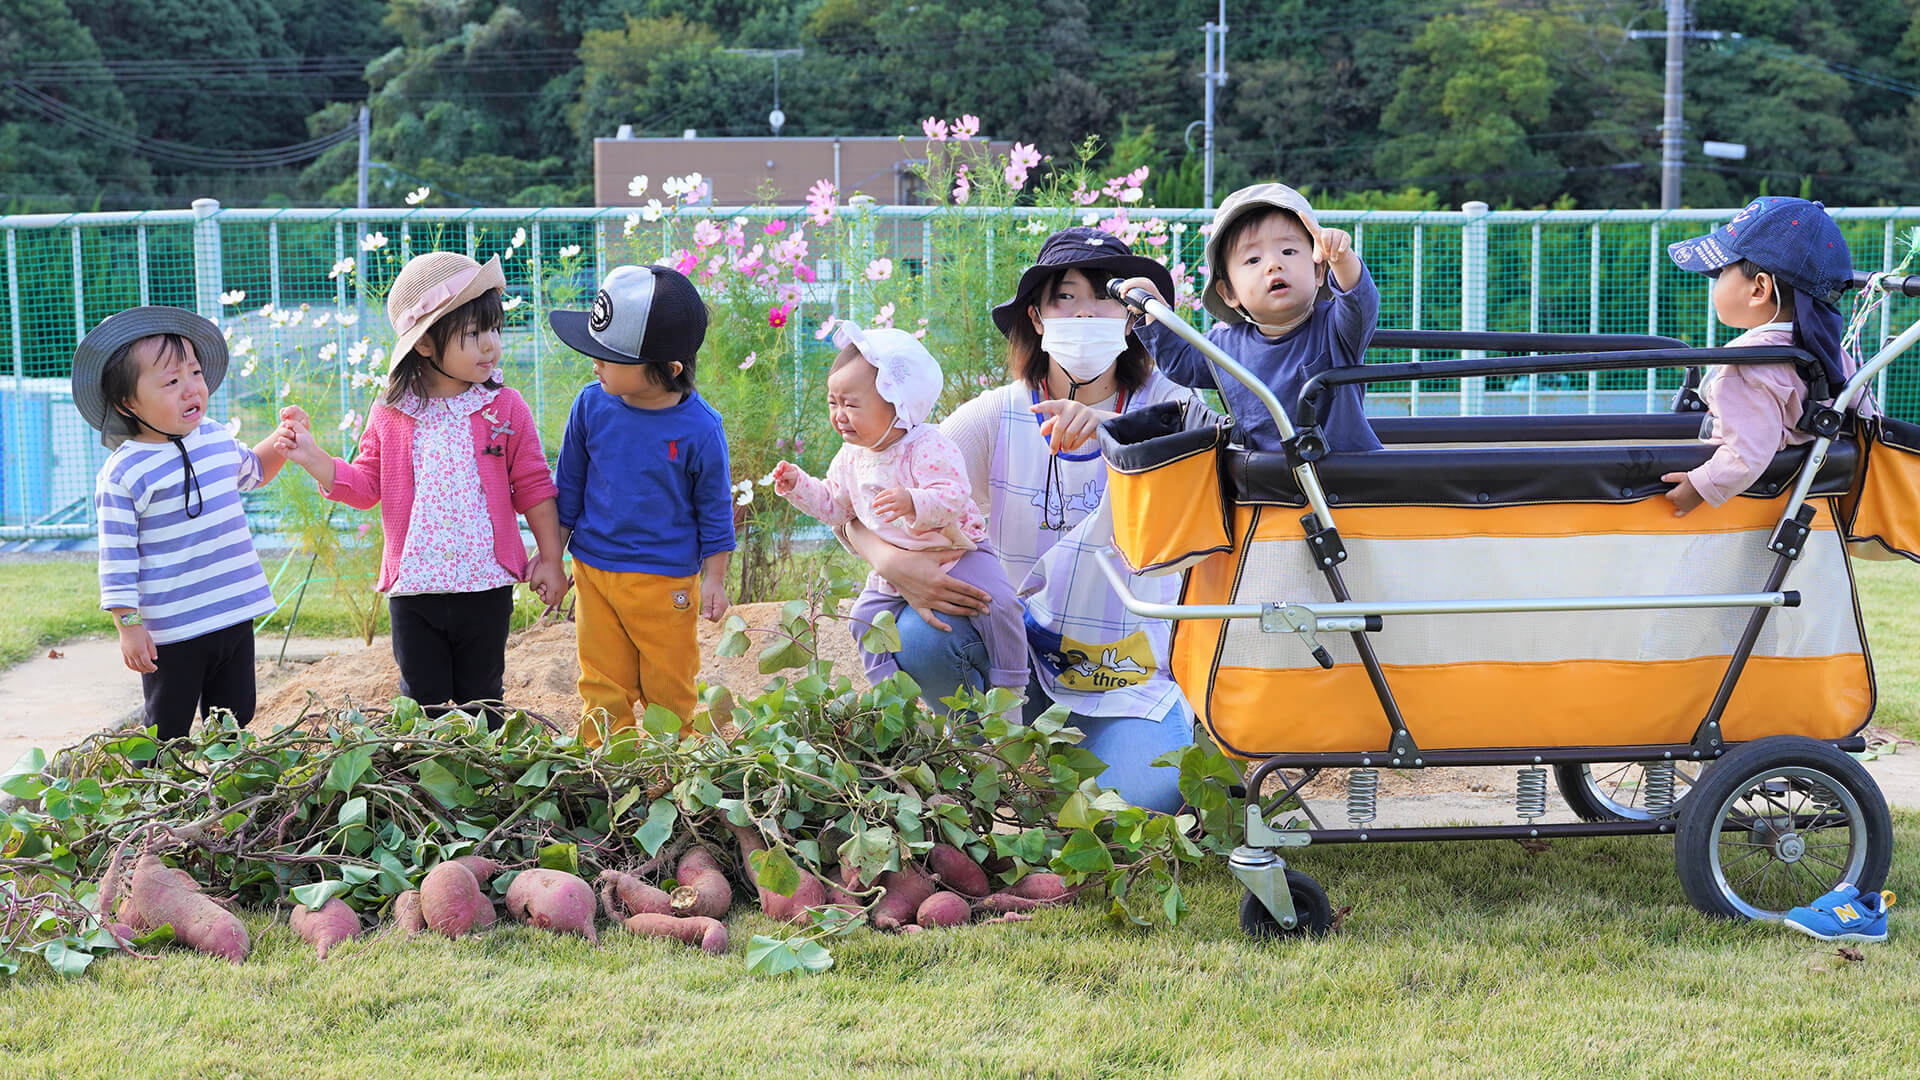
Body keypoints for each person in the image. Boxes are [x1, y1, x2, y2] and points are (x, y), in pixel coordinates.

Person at [841, 226, 1197, 813]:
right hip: (1019, 658)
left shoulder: (1174, 406)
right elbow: (858, 490)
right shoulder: (995, 415)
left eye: (1105, 295)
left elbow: (1238, 448)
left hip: (1127, 671)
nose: (1085, 313)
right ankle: (998, 767)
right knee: (918, 635)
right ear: (1036, 316)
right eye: (1065, 297)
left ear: (1133, 314)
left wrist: (1109, 429)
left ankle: (1104, 753)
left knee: (1144, 803)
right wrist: (891, 562)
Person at [277, 251, 564, 727]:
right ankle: (428, 791)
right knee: (421, 705)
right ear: (426, 344)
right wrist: (315, 459)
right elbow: (367, 485)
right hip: (414, 590)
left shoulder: (504, 407)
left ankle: (485, 788)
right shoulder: (392, 413)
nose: (490, 345)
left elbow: (533, 485)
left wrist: (551, 558)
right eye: (473, 334)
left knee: (483, 699)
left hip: (485, 584)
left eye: (494, 329)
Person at [76, 306, 308, 740]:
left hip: (232, 612)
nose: (191, 389)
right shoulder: (125, 471)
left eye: (195, 373)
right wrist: (129, 625)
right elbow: (117, 556)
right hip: (173, 628)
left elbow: (253, 469)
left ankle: (226, 780)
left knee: (237, 712)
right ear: (128, 402)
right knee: (168, 725)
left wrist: (283, 440)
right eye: (171, 381)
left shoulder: (216, 438)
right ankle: (159, 789)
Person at [772, 321, 1027, 693]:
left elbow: (954, 494)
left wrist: (912, 501)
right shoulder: (851, 458)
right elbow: (837, 508)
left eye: (851, 404)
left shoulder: (926, 445)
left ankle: (1012, 685)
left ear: (897, 403)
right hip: (898, 564)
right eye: (833, 402)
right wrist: (799, 487)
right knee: (863, 620)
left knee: (1000, 605)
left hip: (956, 550)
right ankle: (891, 695)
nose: (839, 414)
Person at [547, 264, 734, 746]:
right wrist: (553, 557)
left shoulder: (700, 429)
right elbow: (568, 488)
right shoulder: (591, 405)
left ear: (669, 369)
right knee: (601, 680)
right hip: (593, 572)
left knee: (668, 685)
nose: (595, 363)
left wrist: (714, 579)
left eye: (608, 356)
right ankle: (609, 764)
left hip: (665, 581)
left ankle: (675, 767)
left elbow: (714, 511)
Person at [1118, 182, 1382, 452]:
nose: (1273, 264)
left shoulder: (1336, 328)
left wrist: (1342, 258)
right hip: (1266, 485)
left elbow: (1360, 300)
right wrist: (1152, 306)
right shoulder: (1224, 347)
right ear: (1229, 292)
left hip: (1347, 480)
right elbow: (1179, 360)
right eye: (1253, 260)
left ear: (1318, 272)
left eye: (1289, 251)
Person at [1660, 197, 1859, 515]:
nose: (1715, 280)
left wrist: (1702, 485)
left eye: (1722, 270)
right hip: (1812, 504)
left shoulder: (1744, 366)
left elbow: (1747, 453)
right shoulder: (1833, 356)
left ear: (1759, 289)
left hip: (1748, 509)